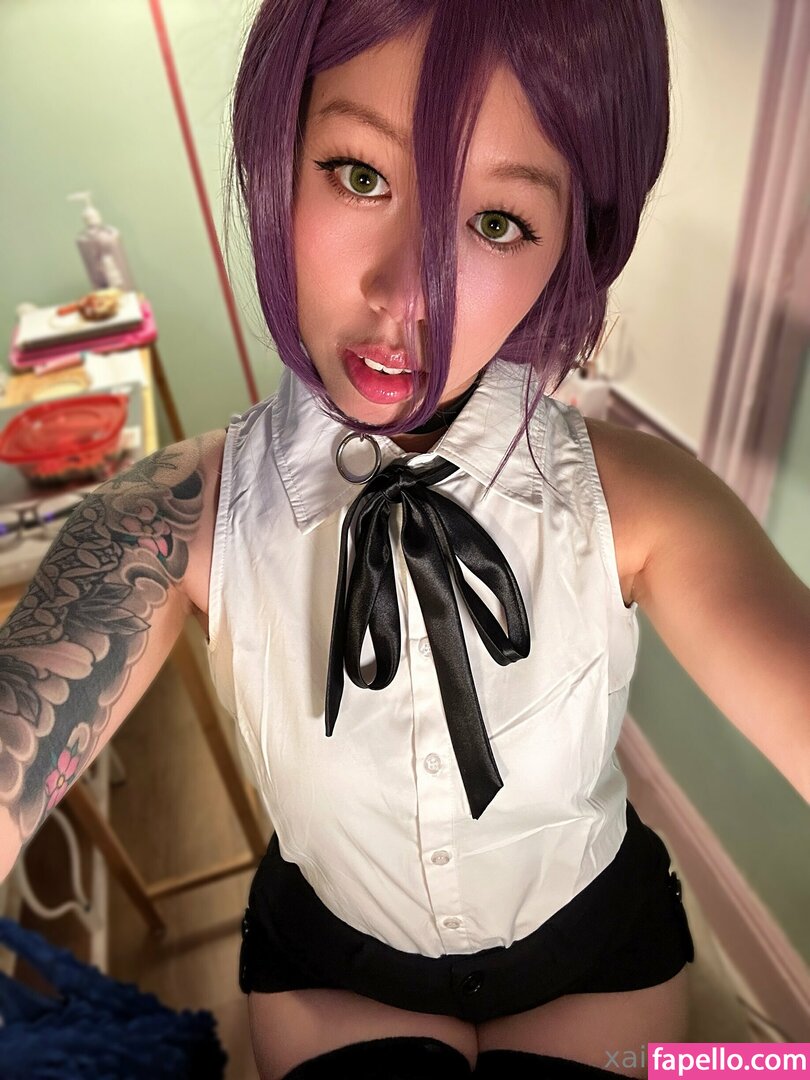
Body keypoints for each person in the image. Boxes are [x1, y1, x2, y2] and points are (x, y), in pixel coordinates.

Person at [2, 2, 808, 1078]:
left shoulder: (647, 503)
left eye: (499, 223)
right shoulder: (170, 520)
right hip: (334, 969)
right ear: (280, 152)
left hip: (595, 955)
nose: (407, 294)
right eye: (359, 174)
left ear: (569, 246)